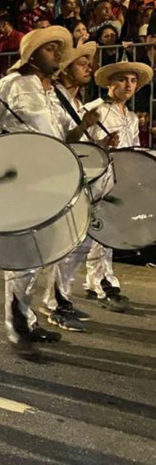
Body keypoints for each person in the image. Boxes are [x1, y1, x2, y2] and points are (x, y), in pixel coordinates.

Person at [0, 27, 99, 360]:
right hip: (21, 183)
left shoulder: (53, 92)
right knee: (23, 258)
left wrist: (83, 127)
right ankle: (17, 330)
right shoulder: (11, 85)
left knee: (40, 255)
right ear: (32, 54)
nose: (58, 54)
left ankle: (27, 318)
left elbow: (62, 139)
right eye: (51, 49)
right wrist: (8, 158)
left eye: (60, 49)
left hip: (48, 182)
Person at [38, 42, 103, 331]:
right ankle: (54, 304)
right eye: (81, 63)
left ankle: (61, 297)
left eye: (89, 63)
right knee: (64, 244)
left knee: (79, 244)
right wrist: (83, 127)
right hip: (59, 179)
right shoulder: (54, 97)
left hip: (75, 179)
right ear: (65, 69)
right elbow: (61, 141)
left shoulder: (73, 101)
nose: (88, 67)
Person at [84, 61, 154, 312]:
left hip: (119, 179)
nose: (128, 85)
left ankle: (97, 282)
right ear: (111, 83)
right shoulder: (96, 109)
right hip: (98, 178)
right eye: (123, 79)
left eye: (133, 81)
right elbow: (81, 142)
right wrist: (102, 143)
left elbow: (133, 148)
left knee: (108, 232)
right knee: (99, 230)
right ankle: (103, 283)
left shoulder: (132, 117)